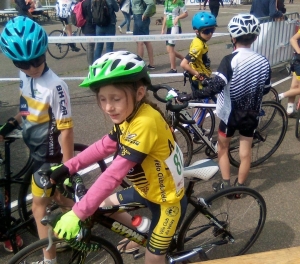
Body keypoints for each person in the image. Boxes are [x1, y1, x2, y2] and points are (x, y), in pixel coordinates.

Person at [49, 50, 187, 264]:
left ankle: (153, 241)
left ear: (139, 93)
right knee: (102, 206)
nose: (108, 107)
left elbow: (114, 174)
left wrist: (77, 213)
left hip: (166, 200)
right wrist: (67, 167)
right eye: (102, 99)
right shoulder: (130, 113)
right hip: (147, 190)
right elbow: (104, 146)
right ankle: (143, 230)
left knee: (152, 259)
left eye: (115, 99)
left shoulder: (145, 122)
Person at [0, 16, 74, 263]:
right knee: (56, 197)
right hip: (34, 146)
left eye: (37, 60)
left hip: (49, 151)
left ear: (45, 52)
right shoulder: (25, 77)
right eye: (23, 64)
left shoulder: (56, 85)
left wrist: (67, 166)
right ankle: (79, 222)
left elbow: (66, 129)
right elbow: (25, 110)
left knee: (38, 207)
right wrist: (9, 125)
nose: (32, 68)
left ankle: (49, 259)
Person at [177, 14, 271, 191]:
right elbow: (266, 88)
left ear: (233, 37)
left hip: (230, 114)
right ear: (256, 37)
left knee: (222, 148)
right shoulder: (263, 62)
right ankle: (240, 188)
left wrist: (189, 97)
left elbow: (216, 88)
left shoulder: (230, 60)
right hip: (251, 113)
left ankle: (226, 184)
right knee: (245, 153)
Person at [161, 0, 188, 73]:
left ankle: (173, 69)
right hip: (169, 27)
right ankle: (185, 60)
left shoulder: (179, 1)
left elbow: (186, 13)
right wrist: (163, 29)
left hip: (175, 26)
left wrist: (178, 17)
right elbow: (165, 16)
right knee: (169, 50)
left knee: (171, 49)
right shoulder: (166, 1)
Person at [278, 30, 300, 117]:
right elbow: (293, 39)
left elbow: (293, 39)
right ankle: (280, 96)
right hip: (298, 60)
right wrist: (299, 51)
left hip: (297, 61)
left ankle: (290, 110)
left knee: (294, 86)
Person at [131, 0, 156, 70]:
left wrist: (145, 13)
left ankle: (140, 65)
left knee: (140, 42)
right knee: (146, 41)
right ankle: (151, 64)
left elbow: (151, 3)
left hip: (140, 16)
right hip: (138, 16)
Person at [81, 0, 96, 65]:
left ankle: (90, 63)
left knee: (88, 46)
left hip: (84, 26)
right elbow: (90, 17)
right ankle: (91, 64)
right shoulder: (89, 3)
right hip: (90, 27)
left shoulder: (82, 2)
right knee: (90, 46)